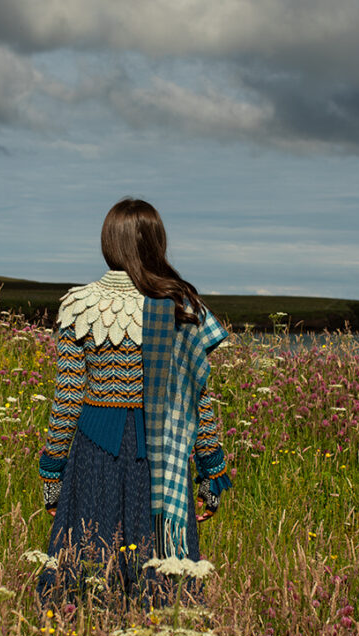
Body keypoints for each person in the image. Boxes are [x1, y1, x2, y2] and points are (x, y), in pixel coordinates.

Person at [36, 198, 233, 609]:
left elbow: (68, 399)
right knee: (159, 572)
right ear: (155, 242)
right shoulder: (178, 305)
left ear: (108, 241)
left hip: (93, 452)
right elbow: (198, 401)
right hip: (160, 455)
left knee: (88, 568)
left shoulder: (80, 304)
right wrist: (211, 473)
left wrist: (53, 474)